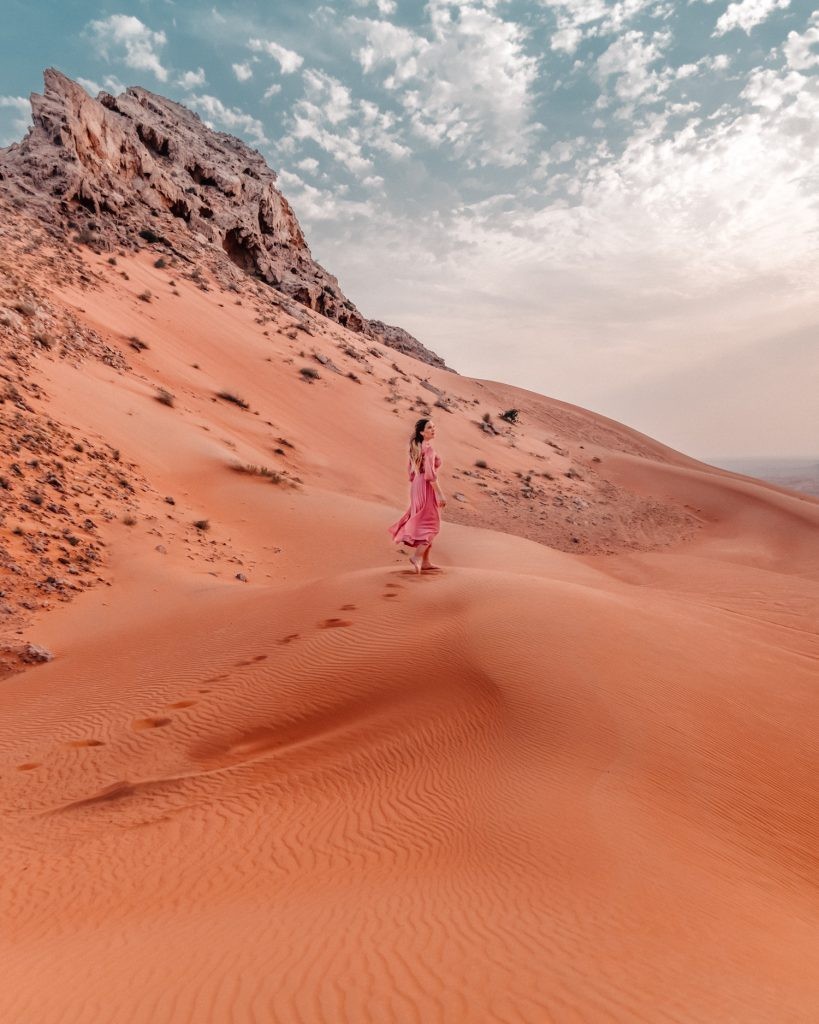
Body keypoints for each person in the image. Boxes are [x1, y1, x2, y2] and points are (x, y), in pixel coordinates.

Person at [387, 418, 447, 573]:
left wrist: (417, 484)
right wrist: (440, 494)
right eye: (429, 428)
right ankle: (417, 556)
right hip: (426, 487)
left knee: (424, 521)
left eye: (434, 427)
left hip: (416, 486)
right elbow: (430, 475)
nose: (433, 429)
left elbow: (411, 472)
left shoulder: (417, 447)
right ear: (422, 432)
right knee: (431, 525)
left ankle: (426, 562)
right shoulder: (429, 450)